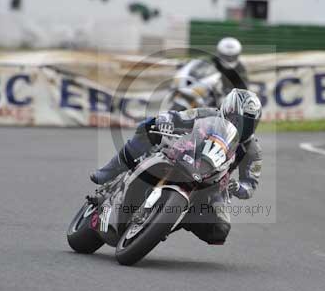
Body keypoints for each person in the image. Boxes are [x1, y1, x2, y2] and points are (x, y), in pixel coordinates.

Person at [90, 89, 263, 245]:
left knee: (220, 230)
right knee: (147, 128)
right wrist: (166, 121)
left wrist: (238, 187)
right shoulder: (208, 114)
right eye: (241, 121)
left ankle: (171, 218)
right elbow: (179, 117)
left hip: (214, 184)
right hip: (183, 153)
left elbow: (250, 184)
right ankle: (110, 171)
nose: (243, 127)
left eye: (250, 123)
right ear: (229, 110)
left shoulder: (252, 149)